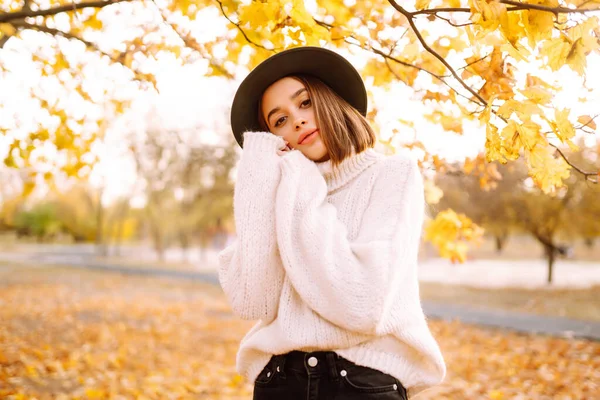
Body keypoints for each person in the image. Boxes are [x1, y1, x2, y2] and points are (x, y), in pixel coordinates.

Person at [218, 46, 446, 400]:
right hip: (279, 381)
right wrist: (259, 184)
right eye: (279, 120)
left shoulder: (392, 175)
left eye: (305, 102)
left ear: (329, 99)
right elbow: (255, 302)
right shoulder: (283, 193)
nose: (297, 120)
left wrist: (299, 184)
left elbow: (363, 305)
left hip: (361, 381)